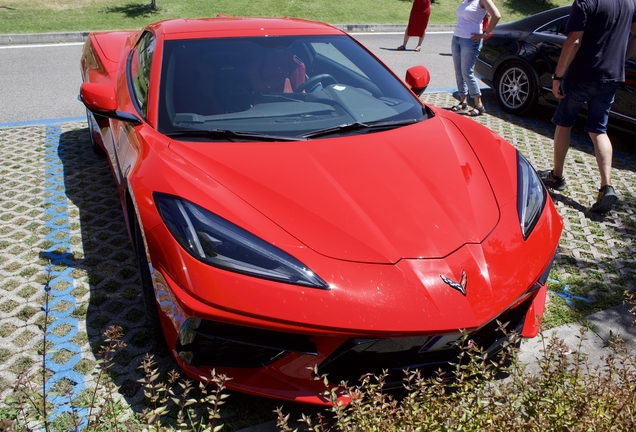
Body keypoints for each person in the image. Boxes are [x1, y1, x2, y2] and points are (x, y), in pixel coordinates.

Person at [539, 0, 636, 213]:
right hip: (610, 78)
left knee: (564, 123)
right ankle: (606, 186)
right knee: (598, 130)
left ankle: (556, 176)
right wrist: (619, 59)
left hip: (580, 75)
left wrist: (558, 76)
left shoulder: (586, 2)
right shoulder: (630, 2)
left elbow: (573, 41)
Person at [450, 0, 500, 116]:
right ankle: (463, 101)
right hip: (457, 38)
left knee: (467, 72)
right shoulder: (466, 1)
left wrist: (485, 33)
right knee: (458, 72)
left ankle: (479, 105)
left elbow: (496, 16)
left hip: (471, 41)